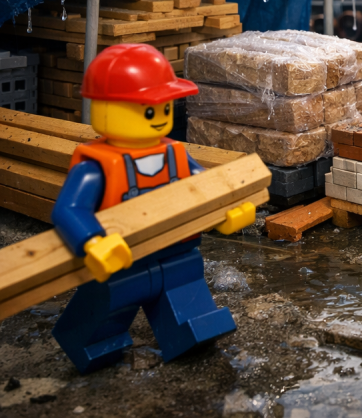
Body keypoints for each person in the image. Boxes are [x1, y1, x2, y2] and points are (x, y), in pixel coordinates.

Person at [50, 44, 255, 373]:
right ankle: (91, 343)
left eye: (165, 108)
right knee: (104, 315)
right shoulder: (96, 168)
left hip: (178, 256)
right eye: (149, 110)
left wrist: (226, 212)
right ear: (104, 109)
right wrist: (92, 242)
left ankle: (188, 335)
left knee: (195, 316)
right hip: (124, 262)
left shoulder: (175, 154)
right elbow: (69, 210)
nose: (160, 118)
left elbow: (205, 187)